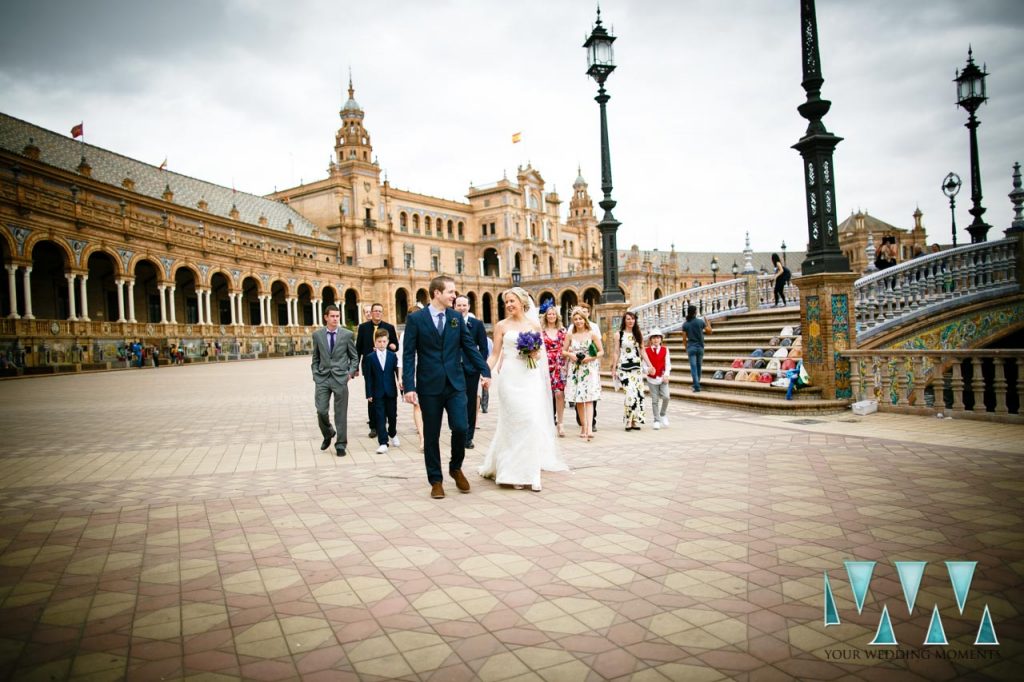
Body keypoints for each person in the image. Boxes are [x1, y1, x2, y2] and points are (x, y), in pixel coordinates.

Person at [403, 275, 491, 499]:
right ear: (437, 294)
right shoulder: (417, 319)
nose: (455, 295)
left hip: (455, 383)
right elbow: (408, 354)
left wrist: (485, 370)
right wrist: (409, 387)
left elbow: (469, 346)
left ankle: (455, 466)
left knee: (461, 427)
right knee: (431, 434)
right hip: (429, 385)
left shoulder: (455, 317)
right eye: (451, 292)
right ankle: (436, 480)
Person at [478, 287, 568, 490]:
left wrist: (533, 353)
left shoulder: (534, 325)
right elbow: (495, 355)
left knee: (529, 421)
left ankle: (530, 473)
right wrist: (485, 373)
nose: (509, 305)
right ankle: (512, 472)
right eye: (506, 302)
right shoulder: (501, 325)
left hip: (529, 377)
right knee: (512, 422)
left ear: (522, 302)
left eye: (512, 301)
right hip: (509, 377)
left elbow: (539, 354)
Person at [311, 304, 359, 456]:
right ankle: (328, 433)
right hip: (323, 378)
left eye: (337, 316)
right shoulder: (317, 335)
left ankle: (341, 444)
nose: (335, 319)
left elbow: (354, 357)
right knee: (321, 411)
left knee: (341, 413)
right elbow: (315, 357)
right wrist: (315, 373)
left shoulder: (347, 334)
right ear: (326, 317)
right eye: (332, 316)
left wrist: (349, 374)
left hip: (340, 379)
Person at [356, 303, 399, 439]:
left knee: (386, 394)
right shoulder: (363, 328)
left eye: (380, 311)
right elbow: (358, 348)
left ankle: (385, 422)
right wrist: (355, 367)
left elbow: (395, 346)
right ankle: (373, 426)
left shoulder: (389, 327)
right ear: (371, 313)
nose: (378, 313)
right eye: (375, 311)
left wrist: (393, 346)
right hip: (369, 366)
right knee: (372, 396)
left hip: (385, 366)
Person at [563, 306, 603, 440]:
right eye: (576, 319)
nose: (578, 321)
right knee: (579, 400)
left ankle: (590, 429)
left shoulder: (592, 334)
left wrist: (590, 358)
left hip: (589, 369)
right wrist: (571, 355)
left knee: (589, 399)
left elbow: (601, 351)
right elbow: (563, 351)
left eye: (580, 318)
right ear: (573, 321)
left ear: (584, 319)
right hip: (575, 370)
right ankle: (583, 426)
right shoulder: (570, 335)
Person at [454, 296, 488, 449]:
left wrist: (481, 368)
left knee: (470, 403)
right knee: (455, 403)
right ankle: (458, 433)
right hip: (453, 369)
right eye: (459, 305)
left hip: (471, 370)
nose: (462, 308)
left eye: (464, 305)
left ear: (469, 306)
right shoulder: (450, 322)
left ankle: (468, 437)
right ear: (454, 306)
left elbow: (484, 348)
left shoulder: (477, 324)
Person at [363, 329, 401, 454]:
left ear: (388, 341)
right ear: (375, 342)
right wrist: (368, 393)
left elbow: (397, 373)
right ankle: (383, 442)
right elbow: (368, 377)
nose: (381, 344)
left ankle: (393, 433)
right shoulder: (370, 358)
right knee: (380, 417)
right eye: (379, 341)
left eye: (384, 341)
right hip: (377, 392)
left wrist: (401, 388)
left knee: (392, 415)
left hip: (391, 391)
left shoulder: (392, 356)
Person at [612, 311, 647, 431]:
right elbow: (616, 352)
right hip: (624, 368)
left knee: (638, 394)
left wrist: (650, 364)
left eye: (632, 319)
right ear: (624, 321)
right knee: (629, 394)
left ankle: (634, 421)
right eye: (628, 319)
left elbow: (643, 351)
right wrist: (614, 368)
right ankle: (628, 420)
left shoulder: (638, 334)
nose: (631, 321)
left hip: (636, 368)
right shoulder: (619, 334)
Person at [397, 305, 425, 451]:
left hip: (429, 372)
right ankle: (422, 438)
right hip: (413, 372)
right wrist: (401, 377)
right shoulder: (404, 334)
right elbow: (403, 356)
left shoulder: (429, 330)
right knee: (417, 405)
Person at [540, 301, 567, 437]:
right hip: (545, 364)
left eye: (553, 314)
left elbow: (567, 348)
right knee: (546, 395)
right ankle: (549, 422)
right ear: (545, 316)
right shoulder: (541, 332)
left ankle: (560, 423)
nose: (551, 316)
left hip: (559, 364)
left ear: (557, 316)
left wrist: (566, 364)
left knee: (559, 394)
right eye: (549, 314)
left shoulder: (563, 331)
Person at [644, 328, 672, 429]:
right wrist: (648, 370)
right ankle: (656, 420)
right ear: (651, 339)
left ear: (661, 339)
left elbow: (668, 364)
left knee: (666, 397)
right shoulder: (646, 351)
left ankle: (663, 414)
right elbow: (643, 366)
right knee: (654, 400)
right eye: (654, 338)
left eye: (658, 337)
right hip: (651, 379)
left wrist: (667, 374)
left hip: (662, 377)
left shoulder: (665, 349)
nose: (656, 340)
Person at [681, 305, 712, 392]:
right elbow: (709, 332)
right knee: (699, 366)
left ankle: (696, 385)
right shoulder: (700, 322)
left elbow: (684, 339)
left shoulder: (685, 324)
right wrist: (707, 322)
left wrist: (686, 348)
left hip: (691, 347)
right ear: (695, 312)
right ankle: (697, 384)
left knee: (693, 367)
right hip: (700, 347)